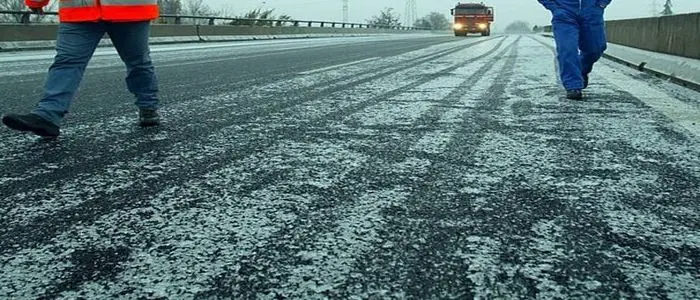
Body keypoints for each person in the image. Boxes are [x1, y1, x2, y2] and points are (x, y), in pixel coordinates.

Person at [1, 0, 161, 137]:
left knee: (138, 62)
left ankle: (148, 106)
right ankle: (47, 115)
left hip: (130, 10)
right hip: (79, 11)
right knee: (66, 61)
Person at [538, 0, 612, 100]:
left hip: (592, 13)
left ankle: (581, 70)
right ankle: (573, 86)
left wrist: (601, 4)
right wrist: (554, 7)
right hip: (564, 14)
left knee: (596, 49)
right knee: (567, 49)